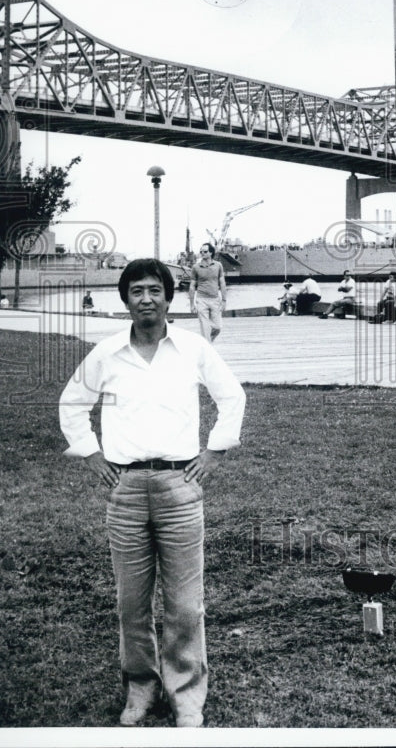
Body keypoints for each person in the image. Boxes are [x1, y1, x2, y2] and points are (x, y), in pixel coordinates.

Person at [58, 258, 245, 729]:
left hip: (179, 486)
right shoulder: (106, 353)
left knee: (185, 602)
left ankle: (185, 693)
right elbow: (73, 403)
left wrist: (215, 453)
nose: (146, 299)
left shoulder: (193, 348)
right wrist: (92, 455)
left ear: (169, 297)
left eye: (154, 290)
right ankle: (140, 687)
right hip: (125, 490)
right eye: (136, 291)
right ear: (125, 300)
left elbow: (232, 397)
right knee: (131, 602)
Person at [189, 243, 227, 342]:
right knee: (205, 330)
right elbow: (192, 286)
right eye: (201, 251)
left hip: (215, 299)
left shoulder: (218, 265)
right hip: (201, 300)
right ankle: (207, 348)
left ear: (211, 252)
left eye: (205, 251)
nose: (202, 253)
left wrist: (224, 300)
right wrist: (192, 304)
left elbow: (222, 283)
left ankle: (206, 344)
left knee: (218, 327)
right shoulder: (196, 267)